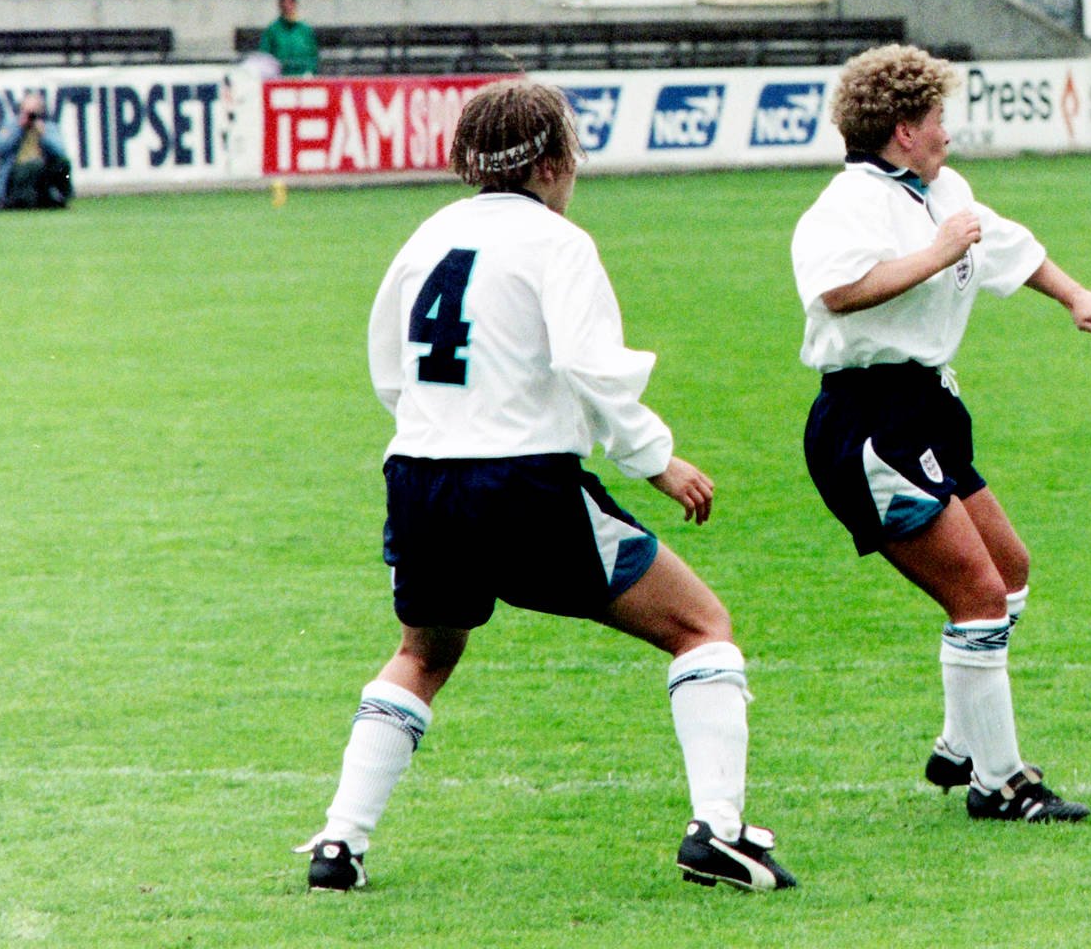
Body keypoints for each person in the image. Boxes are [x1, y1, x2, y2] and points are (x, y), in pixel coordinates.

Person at [295, 79, 796, 893]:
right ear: (557, 160)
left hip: (420, 476)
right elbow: (587, 366)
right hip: (520, 479)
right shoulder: (559, 243)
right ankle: (721, 832)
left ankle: (339, 845)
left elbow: (389, 366)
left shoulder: (427, 235)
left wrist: (445, 429)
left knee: (422, 654)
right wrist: (656, 458)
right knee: (702, 627)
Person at [793, 44, 1091, 824]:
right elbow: (836, 291)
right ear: (905, 128)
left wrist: (1077, 295)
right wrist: (934, 255)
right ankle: (1002, 781)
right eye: (939, 117)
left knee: (1009, 571)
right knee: (978, 597)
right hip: (869, 420)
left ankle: (960, 746)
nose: (950, 130)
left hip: (927, 410)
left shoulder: (939, 187)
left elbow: (1001, 241)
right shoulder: (848, 204)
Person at [0, 93, 73, 211]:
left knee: (63, 164)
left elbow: (61, 152)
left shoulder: (49, 127)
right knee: (33, 167)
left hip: (41, 171)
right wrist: (19, 129)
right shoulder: (11, 125)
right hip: (16, 171)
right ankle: (11, 200)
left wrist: (44, 135)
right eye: (27, 112)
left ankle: (61, 196)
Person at [260, 0, 319, 76]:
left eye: (291, 3)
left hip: (303, 77)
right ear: (280, 7)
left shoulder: (305, 30)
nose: (288, 7)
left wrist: (310, 72)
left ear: (295, 5)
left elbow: (313, 54)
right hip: (279, 78)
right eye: (284, 4)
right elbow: (264, 55)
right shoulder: (272, 30)